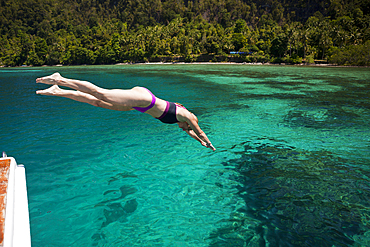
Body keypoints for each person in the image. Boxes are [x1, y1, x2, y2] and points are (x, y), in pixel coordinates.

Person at [36, 73, 216, 151]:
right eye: (186, 127)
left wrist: (199, 142)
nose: (184, 128)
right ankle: (61, 79)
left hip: (139, 105)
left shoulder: (181, 122)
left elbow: (191, 133)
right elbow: (198, 130)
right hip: (144, 99)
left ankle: (58, 90)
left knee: (98, 103)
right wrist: (208, 142)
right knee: (101, 93)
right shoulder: (187, 116)